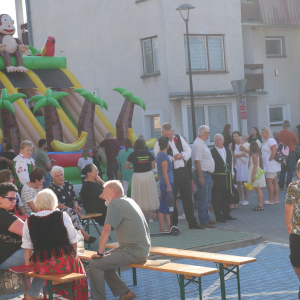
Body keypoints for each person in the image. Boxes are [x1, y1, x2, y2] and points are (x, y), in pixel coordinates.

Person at [22, 189, 89, 300]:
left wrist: (28, 264)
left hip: (42, 263)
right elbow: (73, 239)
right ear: (54, 202)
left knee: (44, 273)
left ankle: (48, 295)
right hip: (63, 260)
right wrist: (74, 256)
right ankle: (65, 296)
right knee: (78, 270)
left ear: (37, 203)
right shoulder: (62, 215)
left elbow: (27, 246)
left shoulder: (29, 221)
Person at [89, 180, 150, 300]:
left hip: (133, 251)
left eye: (106, 194)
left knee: (95, 264)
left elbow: (106, 230)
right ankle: (125, 292)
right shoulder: (128, 200)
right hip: (139, 249)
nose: (104, 197)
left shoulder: (115, 203)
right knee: (102, 262)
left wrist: (100, 252)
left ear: (114, 193)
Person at [0, 182, 45, 300]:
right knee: (48, 256)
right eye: (10, 199)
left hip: (5, 256)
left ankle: (28, 293)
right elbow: (30, 233)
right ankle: (33, 295)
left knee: (28, 252)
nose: (14, 201)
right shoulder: (4, 215)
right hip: (6, 257)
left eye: (15, 198)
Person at [154, 123, 201, 229]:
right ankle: (173, 224)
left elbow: (189, 151)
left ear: (173, 131)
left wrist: (182, 155)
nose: (168, 137)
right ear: (162, 132)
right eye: (166, 135)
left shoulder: (179, 138)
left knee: (187, 197)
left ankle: (192, 223)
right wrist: (173, 158)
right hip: (171, 173)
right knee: (172, 199)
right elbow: (159, 159)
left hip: (183, 171)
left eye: (170, 134)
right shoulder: (159, 143)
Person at [48, 166, 96, 244]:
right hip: (58, 212)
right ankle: (84, 235)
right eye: (57, 176)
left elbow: (74, 199)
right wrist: (72, 210)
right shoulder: (50, 187)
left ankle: (76, 238)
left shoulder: (69, 184)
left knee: (72, 213)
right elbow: (56, 204)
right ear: (53, 178)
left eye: (61, 175)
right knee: (71, 212)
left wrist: (76, 206)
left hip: (71, 212)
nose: (60, 177)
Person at [125, 139, 159, 222]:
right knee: (149, 195)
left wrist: (135, 166)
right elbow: (153, 166)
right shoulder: (149, 153)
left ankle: (143, 217)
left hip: (137, 176)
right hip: (148, 175)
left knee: (140, 196)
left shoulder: (132, 154)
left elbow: (126, 167)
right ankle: (150, 218)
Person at [192, 125, 215, 228]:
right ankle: (203, 220)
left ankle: (206, 218)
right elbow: (196, 161)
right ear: (205, 133)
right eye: (208, 133)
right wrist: (201, 177)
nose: (209, 135)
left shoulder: (202, 144)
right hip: (203, 174)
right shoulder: (198, 144)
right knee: (203, 199)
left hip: (207, 174)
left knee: (207, 198)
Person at [211, 134, 236, 223]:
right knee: (217, 197)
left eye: (220, 139)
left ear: (223, 140)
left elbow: (231, 162)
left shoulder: (227, 150)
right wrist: (211, 177)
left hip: (227, 176)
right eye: (216, 140)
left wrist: (232, 172)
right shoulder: (212, 151)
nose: (218, 141)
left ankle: (226, 213)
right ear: (214, 142)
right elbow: (210, 165)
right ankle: (218, 215)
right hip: (217, 176)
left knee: (226, 195)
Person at [285, 160, 300, 299]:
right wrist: (288, 223)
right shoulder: (293, 186)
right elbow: (289, 205)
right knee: (295, 259)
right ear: (298, 173)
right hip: (297, 231)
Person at [156, 137, 174, 231]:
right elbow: (164, 171)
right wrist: (168, 185)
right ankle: (162, 227)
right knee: (163, 204)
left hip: (166, 182)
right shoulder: (163, 156)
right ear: (167, 145)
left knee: (167, 205)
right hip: (166, 183)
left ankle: (168, 226)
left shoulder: (159, 154)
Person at [261, 126, 281, 205]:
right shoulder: (267, 140)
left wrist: (270, 160)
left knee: (269, 181)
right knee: (274, 181)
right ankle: (275, 198)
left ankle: (270, 199)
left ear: (267, 133)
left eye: (263, 133)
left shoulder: (271, 140)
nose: (262, 134)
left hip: (271, 164)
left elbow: (274, 151)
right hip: (271, 164)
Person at [230, 131, 249, 207]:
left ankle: (246, 199)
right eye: (233, 136)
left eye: (236, 136)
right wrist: (241, 154)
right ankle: (240, 199)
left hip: (244, 164)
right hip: (236, 164)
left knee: (245, 182)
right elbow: (232, 155)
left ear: (239, 136)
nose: (235, 138)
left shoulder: (243, 144)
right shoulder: (231, 145)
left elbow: (248, 153)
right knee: (238, 182)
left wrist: (243, 153)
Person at [278, 120, 299, 190]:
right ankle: (289, 184)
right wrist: (292, 143)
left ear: (283, 126)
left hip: (283, 152)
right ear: (289, 126)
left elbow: (278, 142)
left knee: (282, 169)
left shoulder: (279, 133)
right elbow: (297, 141)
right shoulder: (292, 133)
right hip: (291, 152)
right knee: (290, 169)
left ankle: (281, 185)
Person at [248, 141, 266, 211]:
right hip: (257, 172)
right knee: (258, 189)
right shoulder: (257, 154)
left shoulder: (254, 155)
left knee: (258, 189)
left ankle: (260, 205)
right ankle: (260, 204)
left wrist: (253, 176)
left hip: (256, 173)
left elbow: (255, 166)